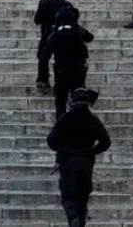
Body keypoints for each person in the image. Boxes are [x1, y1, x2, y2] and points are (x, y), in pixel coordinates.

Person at [46, 88, 111, 227]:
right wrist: (92, 151)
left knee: (68, 196)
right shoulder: (93, 120)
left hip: (68, 162)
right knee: (82, 197)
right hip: (86, 163)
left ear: (72, 102)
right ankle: (79, 221)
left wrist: (62, 148)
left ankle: (73, 218)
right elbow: (106, 142)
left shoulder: (65, 119)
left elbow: (51, 141)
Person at [40, 7, 94, 118]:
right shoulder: (76, 29)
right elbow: (89, 37)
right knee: (79, 97)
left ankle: (61, 124)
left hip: (61, 69)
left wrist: (43, 77)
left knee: (60, 100)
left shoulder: (56, 33)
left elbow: (44, 56)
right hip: (78, 69)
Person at [33, 0, 73, 91]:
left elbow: (37, 20)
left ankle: (43, 80)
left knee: (43, 58)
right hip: (63, 36)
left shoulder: (43, 4)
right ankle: (60, 82)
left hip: (47, 35)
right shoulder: (67, 5)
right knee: (61, 59)